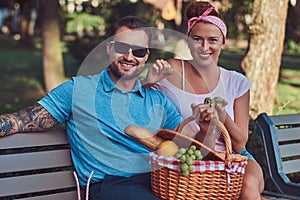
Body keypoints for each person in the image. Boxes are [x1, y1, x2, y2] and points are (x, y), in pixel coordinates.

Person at [0, 16, 216, 200]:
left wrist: (205, 126)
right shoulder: (79, 90)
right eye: (122, 48)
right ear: (109, 48)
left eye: (139, 51)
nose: (130, 57)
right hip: (108, 185)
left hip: (154, 181)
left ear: (147, 56)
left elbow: (188, 146)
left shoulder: (157, 100)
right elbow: (23, 119)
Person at [144, 1, 265, 199]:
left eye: (213, 40)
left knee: (248, 185)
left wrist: (222, 116)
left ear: (223, 42)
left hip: (233, 160)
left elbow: (240, 143)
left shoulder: (236, 82)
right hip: (191, 160)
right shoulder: (172, 69)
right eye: (197, 39)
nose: (204, 47)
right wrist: (147, 82)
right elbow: (136, 97)